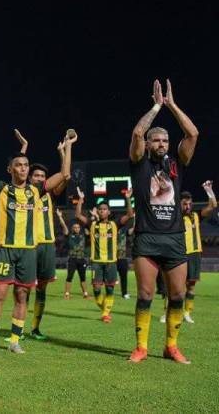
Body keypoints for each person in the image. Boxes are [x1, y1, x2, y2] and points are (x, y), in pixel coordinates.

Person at [0, 131, 70, 355]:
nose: (24, 168)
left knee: (22, 296)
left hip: (28, 252)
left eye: (26, 165)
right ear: (10, 169)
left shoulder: (37, 191)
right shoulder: (3, 189)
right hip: (6, 250)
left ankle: (15, 341)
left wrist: (68, 147)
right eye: (19, 165)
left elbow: (64, 173)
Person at [128, 79, 198, 364]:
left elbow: (192, 133)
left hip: (174, 237)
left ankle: (171, 346)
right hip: (146, 236)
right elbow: (137, 132)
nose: (161, 144)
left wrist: (172, 104)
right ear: (148, 144)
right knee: (145, 293)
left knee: (178, 293)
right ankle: (142, 347)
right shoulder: (139, 162)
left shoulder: (176, 163)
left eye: (165, 140)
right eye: (156, 140)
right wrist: (157, 105)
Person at [24, 136, 73, 339]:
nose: (40, 179)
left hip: (47, 245)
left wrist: (64, 150)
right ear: (29, 178)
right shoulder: (23, 193)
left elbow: (66, 175)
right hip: (28, 245)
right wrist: (24, 148)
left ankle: (35, 328)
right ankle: (18, 328)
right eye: (36, 176)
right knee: (24, 288)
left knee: (42, 288)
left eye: (43, 176)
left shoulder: (50, 195)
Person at [76, 187, 133, 322]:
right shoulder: (92, 224)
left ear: (109, 212)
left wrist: (128, 198)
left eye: (104, 209)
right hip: (96, 262)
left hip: (111, 262)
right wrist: (81, 200)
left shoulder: (115, 224)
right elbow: (78, 215)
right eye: (100, 209)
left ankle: (106, 313)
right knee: (96, 289)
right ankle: (105, 309)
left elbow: (130, 215)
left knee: (110, 289)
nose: (102, 211)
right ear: (98, 211)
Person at [175, 182, 216, 324]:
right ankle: (168, 312)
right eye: (185, 204)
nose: (188, 206)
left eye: (190, 204)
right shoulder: (174, 218)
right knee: (176, 287)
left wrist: (209, 190)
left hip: (194, 255)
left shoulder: (196, 216)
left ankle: (187, 313)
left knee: (191, 286)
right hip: (179, 254)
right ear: (179, 204)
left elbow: (212, 206)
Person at [57, 210, 90, 299]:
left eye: (78, 227)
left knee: (83, 277)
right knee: (69, 277)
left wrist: (92, 217)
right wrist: (60, 217)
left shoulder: (84, 236)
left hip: (81, 259)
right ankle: (67, 294)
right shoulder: (69, 235)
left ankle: (85, 294)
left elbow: (88, 226)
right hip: (72, 259)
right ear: (72, 228)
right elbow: (64, 226)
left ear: (80, 228)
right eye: (75, 227)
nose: (76, 229)